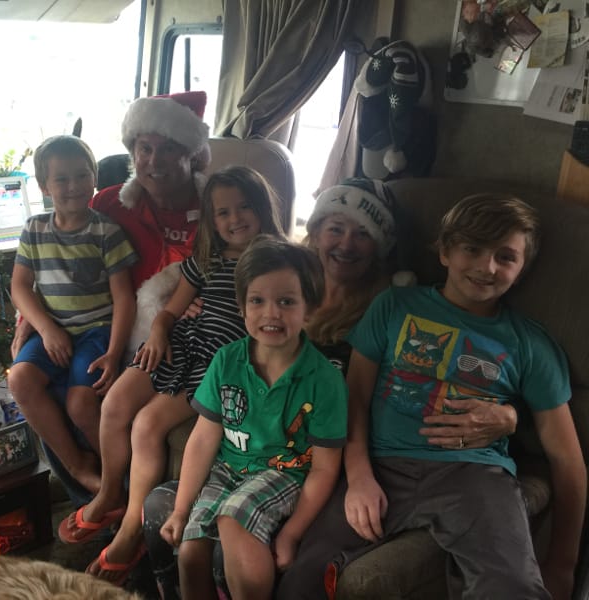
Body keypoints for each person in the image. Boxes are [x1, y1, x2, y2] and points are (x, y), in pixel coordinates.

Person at [142, 178, 520, 599]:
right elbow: (233, 309)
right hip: (245, 450)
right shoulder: (274, 287)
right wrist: (176, 309)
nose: (346, 244)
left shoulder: (386, 310)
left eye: (363, 234)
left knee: (230, 534)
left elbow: (398, 390)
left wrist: (508, 414)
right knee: (173, 523)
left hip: (304, 462)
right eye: (335, 229)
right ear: (316, 232)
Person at [278, 193, 586, 600]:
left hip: (474, 474)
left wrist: (563, 564)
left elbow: (567, 459)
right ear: (444, 252)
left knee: (510, 586)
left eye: (505, 257)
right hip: (382, 464)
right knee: (304, 577)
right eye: (472, 249)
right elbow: (355, 401)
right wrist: (360, 477)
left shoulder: (531, 344)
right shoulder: (394, 306)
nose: (487, 267)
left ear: (522, 267)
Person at [60, 166, 285, 585]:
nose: (234, 219)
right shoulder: (206, 259)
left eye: (243, 208)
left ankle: (132, 530)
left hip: (218, 364)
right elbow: (169, 311)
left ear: (262, 208)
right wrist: (159, 332)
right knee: (114, 405)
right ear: (211, 219)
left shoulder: (275, 260)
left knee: (146, 424)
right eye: (222, 213)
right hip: (179, 343)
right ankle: (109, 492)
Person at [10, 91, 213, 506]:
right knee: (34, 381)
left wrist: (187, 300)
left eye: (168, 149)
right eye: (144, 149)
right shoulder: (110, 203)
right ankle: (86, 488)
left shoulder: (214, 208)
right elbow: (50, 268)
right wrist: (32, 319)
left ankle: (114, 493)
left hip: (153, 333)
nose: (154, 161)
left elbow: (233, 269)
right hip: (86, 323)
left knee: (82, 396)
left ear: (191, 154)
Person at [158, 235, 347, 600]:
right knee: (191, 549)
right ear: (242, 308)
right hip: (229, 468)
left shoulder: (325, 380)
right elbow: (203, 438)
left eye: (286, 302)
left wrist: (291, 533)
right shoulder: (226, 360)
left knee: (234, 515)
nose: (270, 313)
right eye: (257, 301)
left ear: (309, 310)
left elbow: (325, 468)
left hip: (287, 472)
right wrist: (181, 510)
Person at [7, 135, 138, 494]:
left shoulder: (106, 232)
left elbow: (124, 298)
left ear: (94, 177)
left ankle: (123, 478)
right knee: (20, 380)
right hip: (53, 329)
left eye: (82, 176)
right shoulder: (34, 229)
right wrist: (46, 329)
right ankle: (76, 465)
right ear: (44, 186)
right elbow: (20, 287)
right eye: (61, 179)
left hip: (97, 331)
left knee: (81, 404)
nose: (73, 186)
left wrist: (114, 352)